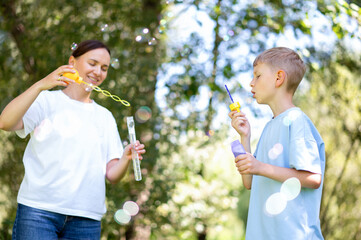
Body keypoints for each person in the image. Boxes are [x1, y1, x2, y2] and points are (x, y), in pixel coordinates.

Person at [0, 40, 146, 239]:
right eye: (92, 63)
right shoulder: (46, 100)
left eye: (104, 68)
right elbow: (5, 122)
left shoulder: (105, 116)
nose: (98, 72)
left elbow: (112, 174)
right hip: (38, 212)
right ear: (72, 61)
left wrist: (126, 158)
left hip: (85, 220)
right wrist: (41, 85)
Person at [228, 47, 325, 239]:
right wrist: (245, 137)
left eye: (257, 76)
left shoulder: (297, 121)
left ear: (279, 78)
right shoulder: (269, 127)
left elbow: (313, 178)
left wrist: (259, 166)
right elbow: (249, 182)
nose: (251, 83)